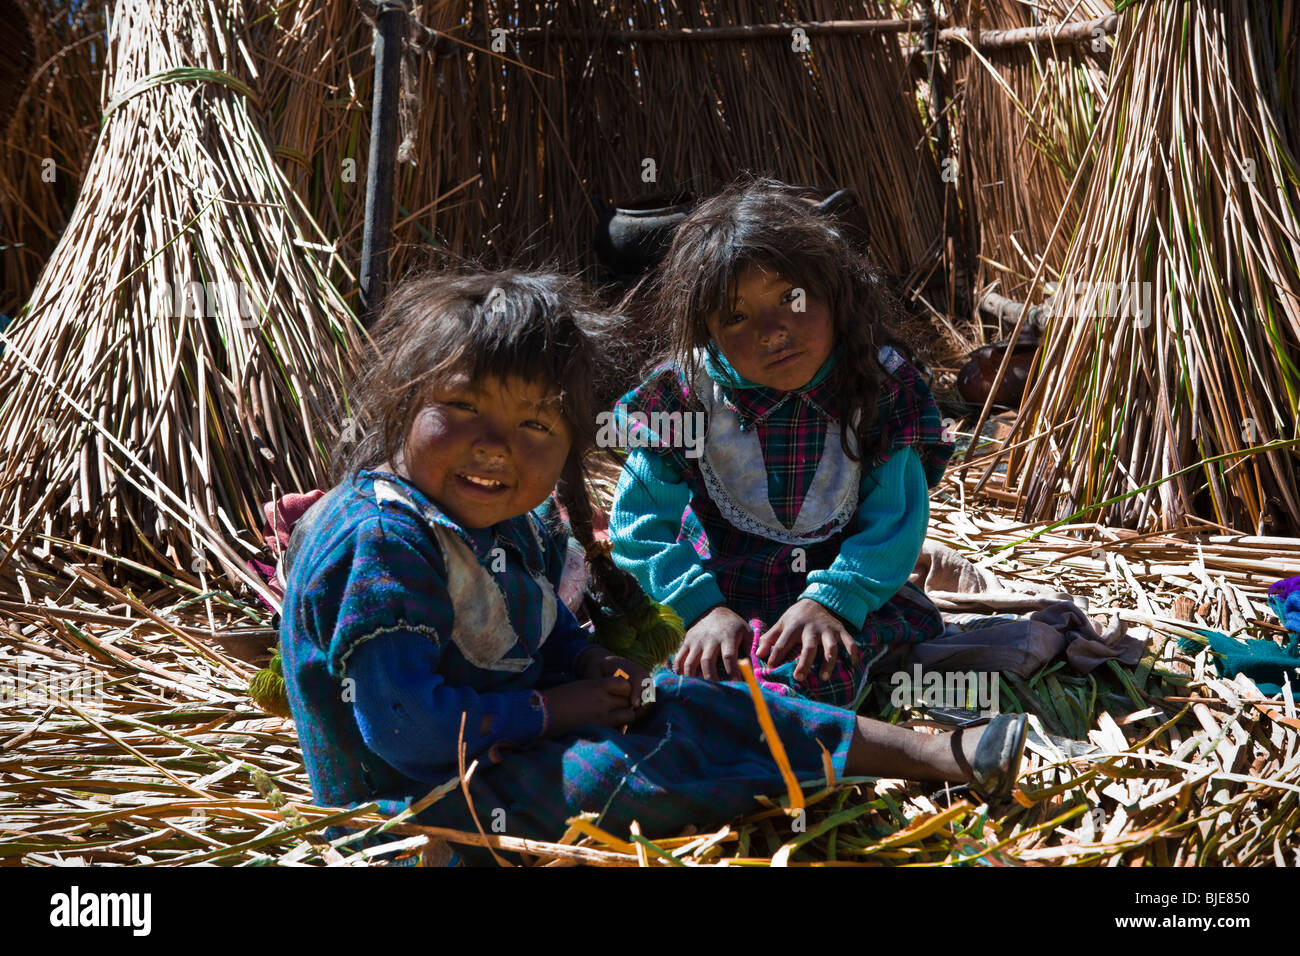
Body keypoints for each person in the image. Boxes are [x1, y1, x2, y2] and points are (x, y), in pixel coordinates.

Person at [278, 268, 1025, 865]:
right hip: (417, 809)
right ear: (405, 402)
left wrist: (590, 660)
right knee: (622, 770)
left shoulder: (510, 519)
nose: (494, 445)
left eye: (535, 423)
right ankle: (800, 771)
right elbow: (404, 728)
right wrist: (557, 709)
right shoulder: (382, 542)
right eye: (462, 407)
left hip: (502, 749)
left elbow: (534, 629)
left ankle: (939, 754)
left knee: (698, 697)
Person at [608, 178, 952, 708]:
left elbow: (894, 520)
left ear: (835, 294)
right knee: (681, 675)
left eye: (792, 298)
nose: (772, 332)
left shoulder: (878, 389)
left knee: (817, 673)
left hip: (838, 595)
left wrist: (834, 603)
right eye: (737, 317)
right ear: (707, 332)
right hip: (716, 588)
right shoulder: (684, 395)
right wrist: (699, 609)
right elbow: (639, 526)